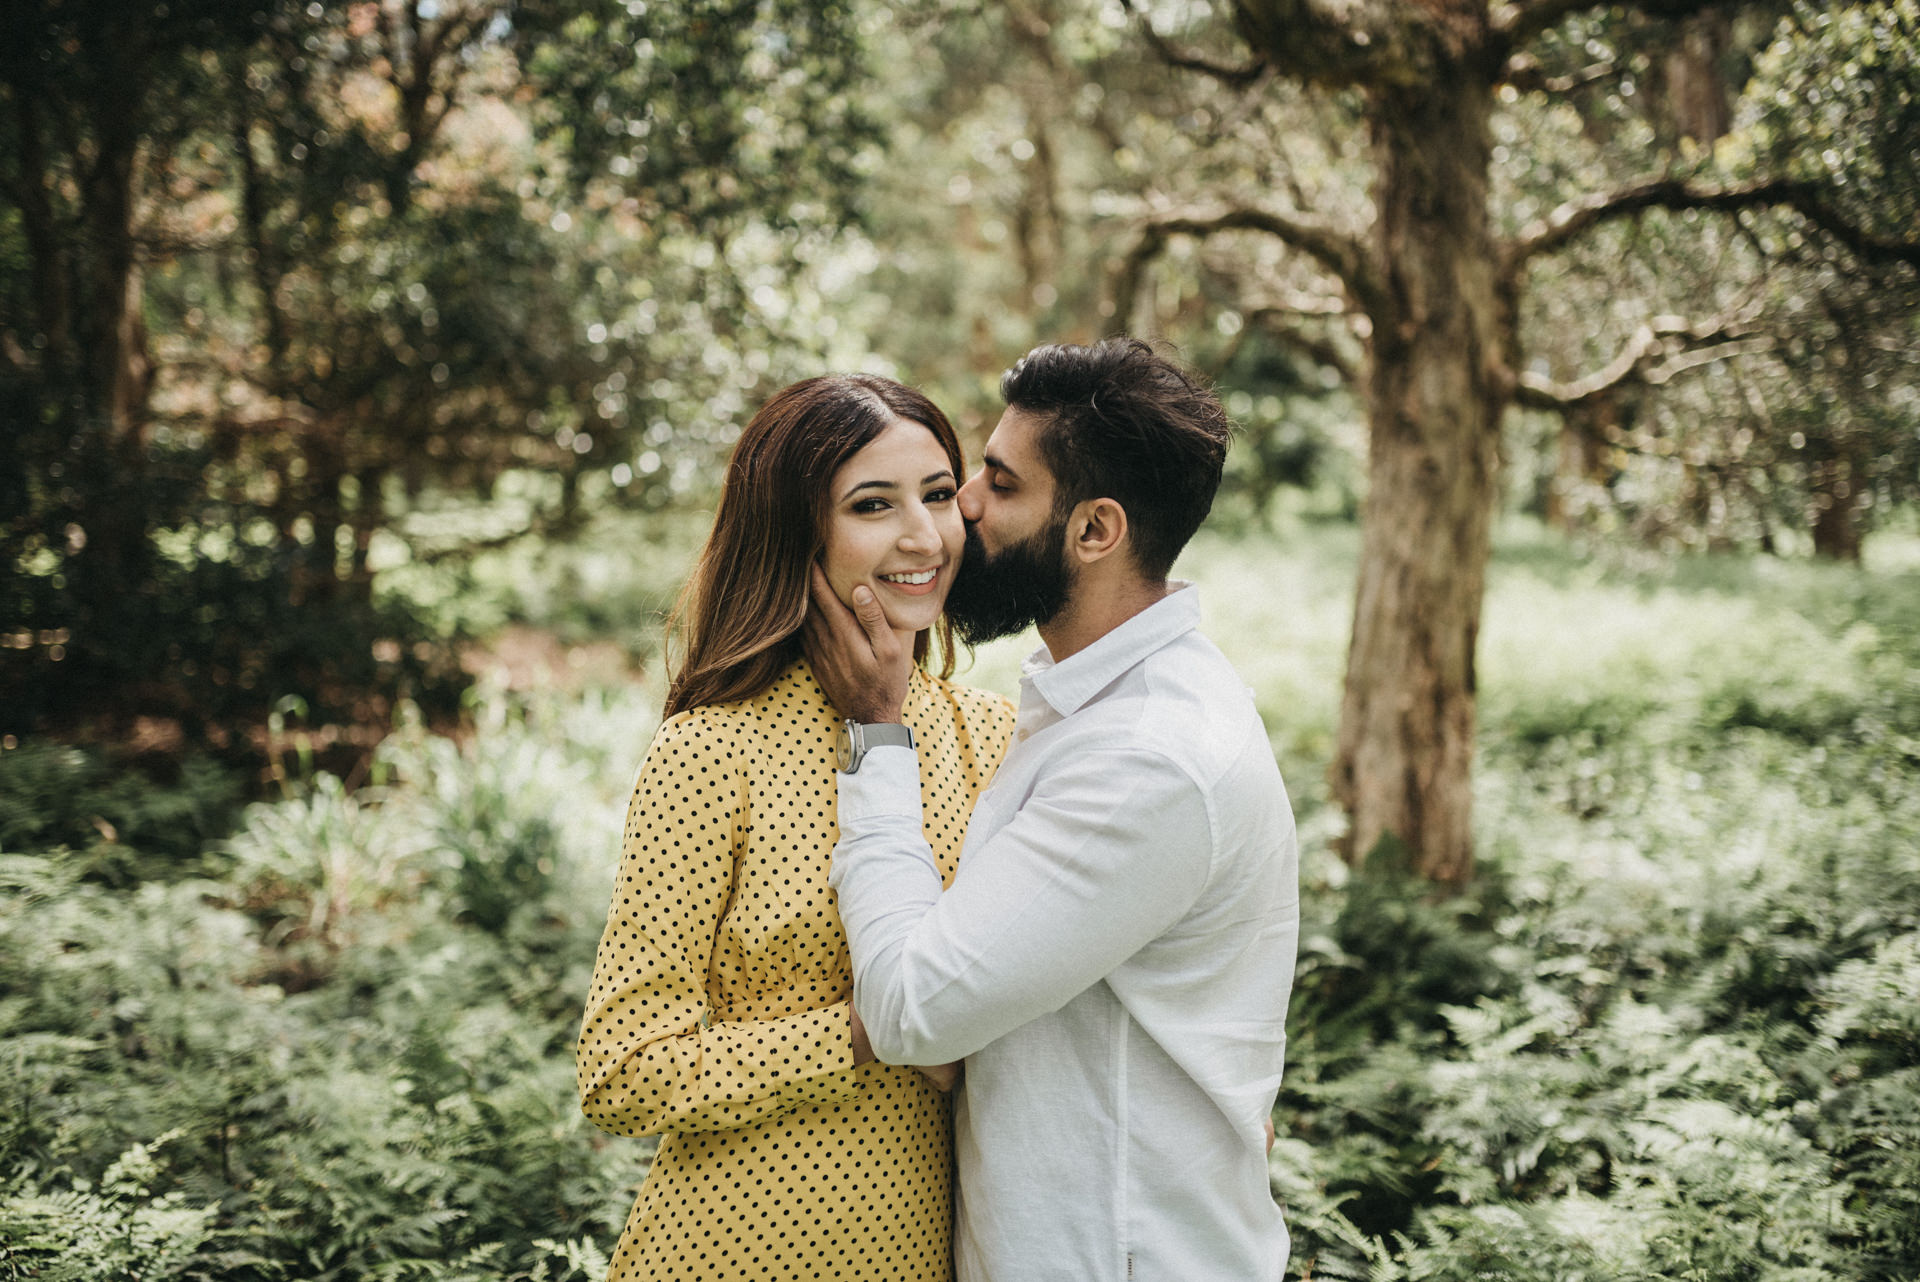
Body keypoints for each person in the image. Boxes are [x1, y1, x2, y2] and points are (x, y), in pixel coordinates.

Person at [805, 338, 1301, 1281]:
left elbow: (913, 1010)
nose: (964, 511)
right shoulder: (1096, 702)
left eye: (998, 482)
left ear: (1095, 530)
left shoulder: (1146, 758)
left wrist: (875, 736)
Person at [576, 375, 1017, 1282]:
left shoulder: (993, 735)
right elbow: (622, 1070)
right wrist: (869, 1032)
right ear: (795, 532)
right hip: (731, 1247)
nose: (924, 537)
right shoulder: (710, 752)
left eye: (940, 495)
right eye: (872, 505)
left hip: (928, 1249)